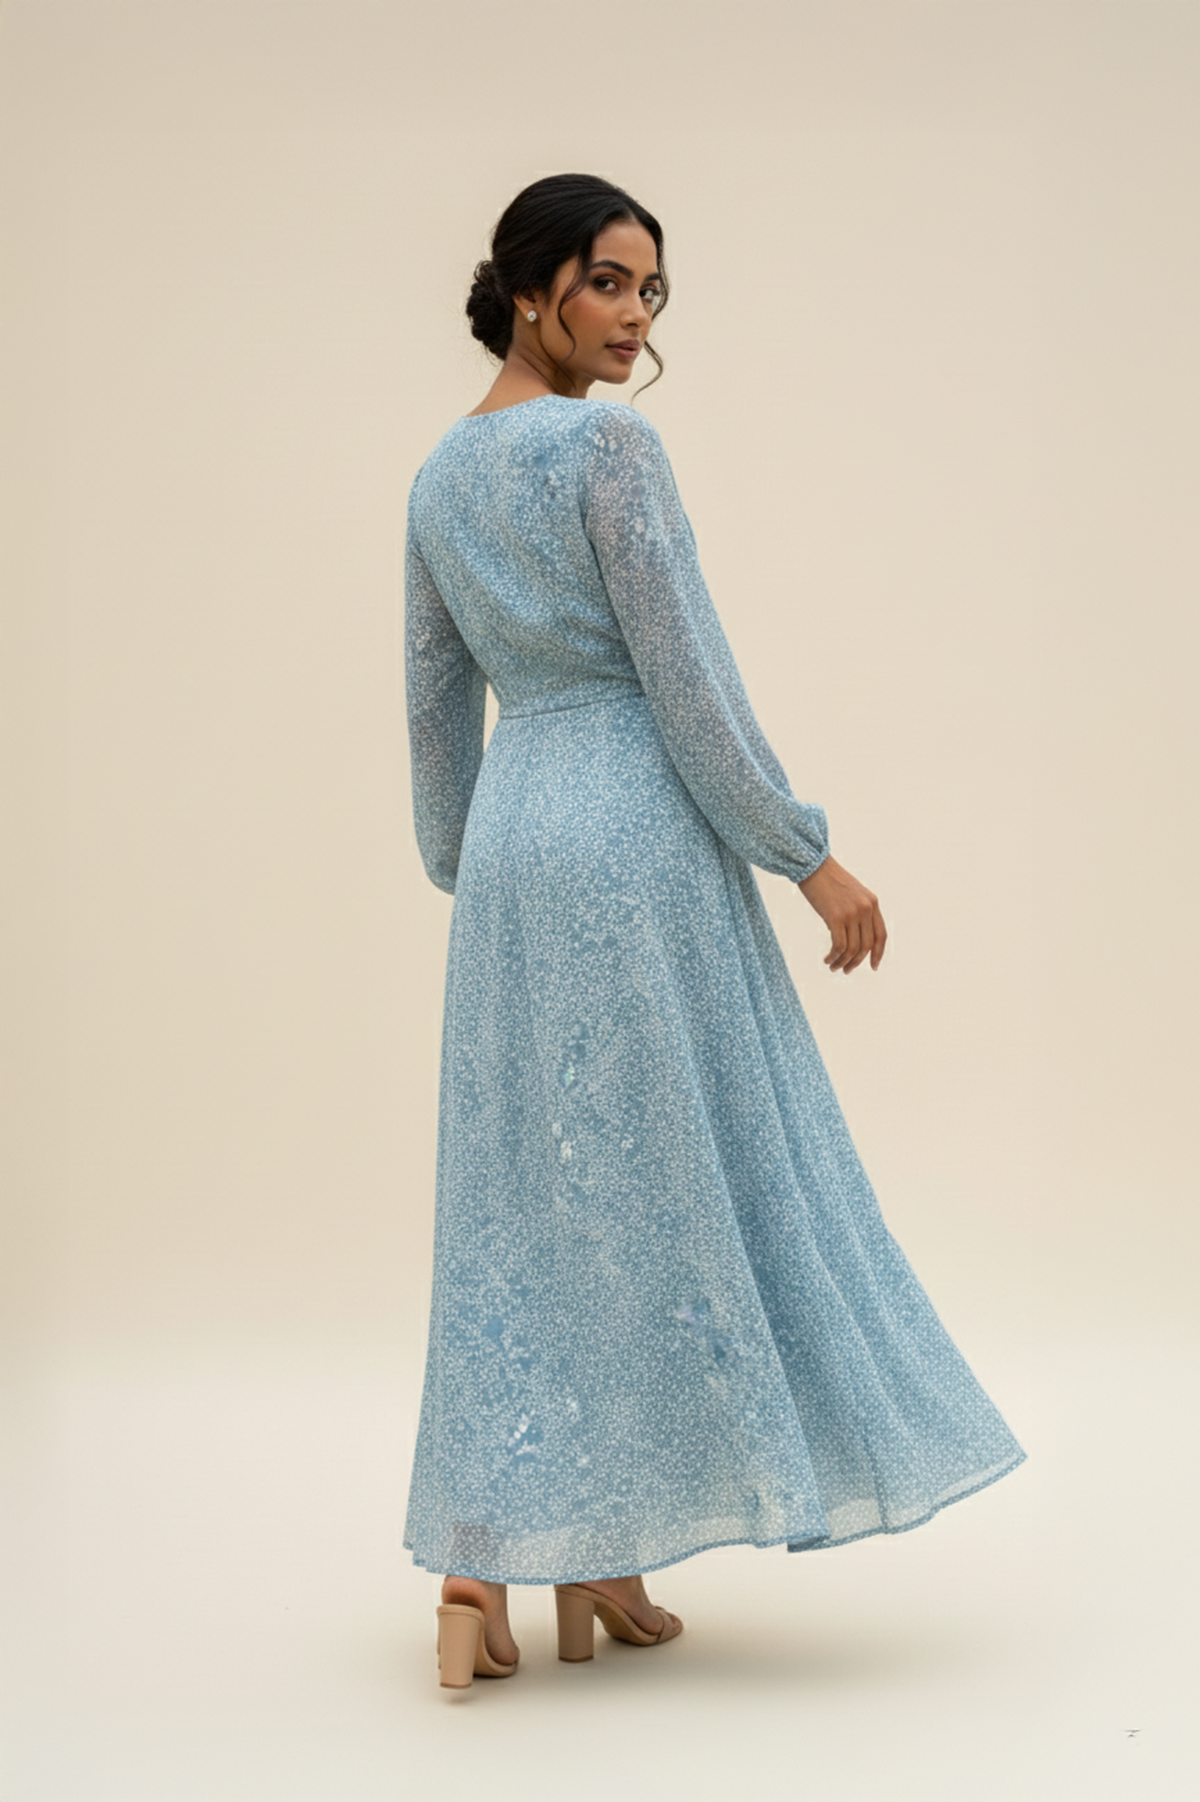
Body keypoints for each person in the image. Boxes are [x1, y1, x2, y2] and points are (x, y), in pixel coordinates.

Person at [402, 172, 1025, 1690]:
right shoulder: (609, 447)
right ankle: (581, 1546)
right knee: (662, 1186)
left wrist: (470, 862)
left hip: (515, 847)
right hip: (635, 835)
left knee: (520, 1201)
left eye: (651, 292)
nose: (635, 318)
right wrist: (807, 856)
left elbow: (432, 704)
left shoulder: (436, 475)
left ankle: (513, 1561)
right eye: (609, 283)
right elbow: (686, 678)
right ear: (533, 288)